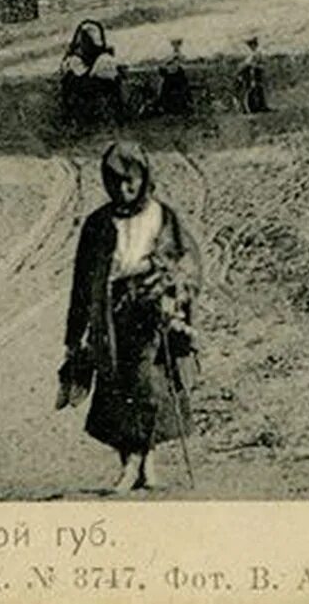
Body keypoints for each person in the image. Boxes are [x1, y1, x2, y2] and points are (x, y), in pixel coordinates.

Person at [62, 141, 204, 492]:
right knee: (117, 388)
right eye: (114, 183)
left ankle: (144, 462)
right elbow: (82, 281)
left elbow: (189, 260)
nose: (123, 190)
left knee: (148, 385)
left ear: (144, 179)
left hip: (151, 309)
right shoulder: (98, 224)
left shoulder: (162, 216)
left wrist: (174, 287)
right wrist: (74, 335)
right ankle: (131, 464)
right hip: (111, 313)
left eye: (130, 181)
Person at [155, 38, 193, 116]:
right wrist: (170, 61)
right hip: (170, 75)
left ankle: (186, 103)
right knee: (165, 90)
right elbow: (163, 63)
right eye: (175, 44)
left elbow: (183, 61)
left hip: (176, 75)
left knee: (184, 88)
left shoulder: (179, 54)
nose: (176, 46)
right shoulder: (171, 55)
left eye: (178, 45)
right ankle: (163, 106)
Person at [236, 35, 270, 113]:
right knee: (256, 89)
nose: (250, 46)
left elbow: (253, 63)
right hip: (254, 72)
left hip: (255, 72)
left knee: (255, 89)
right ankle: (258, 107)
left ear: (254, 44)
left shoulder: (257, 53)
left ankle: (257, 107)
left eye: (251, 44)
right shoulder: (254, 53)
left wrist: (248, 65)